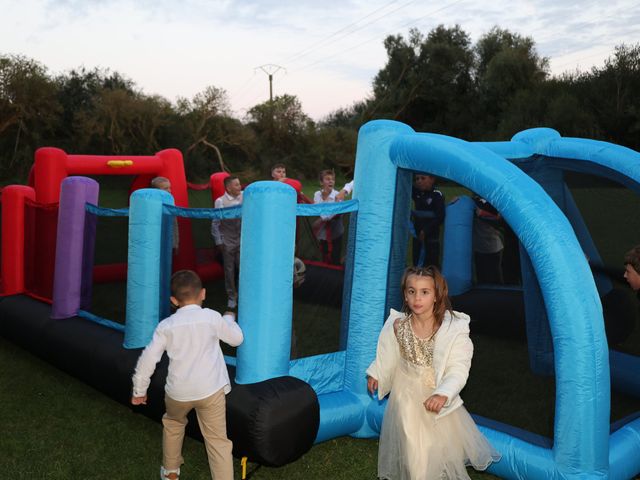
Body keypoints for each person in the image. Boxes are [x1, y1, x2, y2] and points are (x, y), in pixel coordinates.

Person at [366, 266, 500, 480]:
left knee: (436, 445)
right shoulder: (398, 325)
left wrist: (444, 392)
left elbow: (458, 368)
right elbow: (389, 354)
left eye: (424, 292)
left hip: (435, 393)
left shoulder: (452, 331)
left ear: (437, 295)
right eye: (411, 291)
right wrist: (377, 373)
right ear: (405, 295)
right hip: (406, 394)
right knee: (413, 444)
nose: (417, 298)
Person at [131, 269, 243, 480]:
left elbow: (148, 358)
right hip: (210, 390)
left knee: (173, 425)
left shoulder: (166, 326)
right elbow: (236, 339)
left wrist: (139, 389)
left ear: (173, 300)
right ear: (203, 293)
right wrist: (229, 320)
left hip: (178, 392)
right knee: (217, 440)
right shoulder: (211, 317)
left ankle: (171, 472)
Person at [211, 176, 243, 310]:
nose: (240, 187)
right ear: (229, 188)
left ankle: (245, 295)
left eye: (239, 184)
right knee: (229, 270)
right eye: (236, 185)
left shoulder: (245, 196)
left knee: (244, 268)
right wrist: (219, 241)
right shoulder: (220, 201)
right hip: (228, 240)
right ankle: (232, 297)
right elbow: (215, 223)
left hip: (242, 239)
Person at [411, 174, 445, 268]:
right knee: (417, 263)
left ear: (432, 179)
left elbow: (440, 217)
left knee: (431, 266)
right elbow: (408, 184)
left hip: (431, 239)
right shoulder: (417, 194)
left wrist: (425, 231)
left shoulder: (437, 195)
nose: (419, 181)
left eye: (423, 178)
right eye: (417, 179)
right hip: (418, 238)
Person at [312, 169, 344, 265]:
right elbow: (316, 209)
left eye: (333, 179)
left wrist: (320, 220)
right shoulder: (317, 194)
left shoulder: (338, 196)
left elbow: (333, 213)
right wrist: (323, 216)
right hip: (322, 233)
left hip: (336, 233)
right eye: (327, 179)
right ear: (321, 182)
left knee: (335, 256)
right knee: (324, 254)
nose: (331, 181)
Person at [472, 196, 504, 284]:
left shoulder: (493, 202)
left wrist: (483, 213)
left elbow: (499, 219)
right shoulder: (472, 202)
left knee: (495, 278)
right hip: (479, 248)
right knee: (482, 278)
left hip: (493, 248)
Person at [151, 176, 179, 253]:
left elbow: (174, 224)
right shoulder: (150, 203)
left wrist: (175, 243)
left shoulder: (170, 202)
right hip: (154, 242)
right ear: (156, 190)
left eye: (169, 188)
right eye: (166, 188)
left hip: (168, 241)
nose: (169, 191)